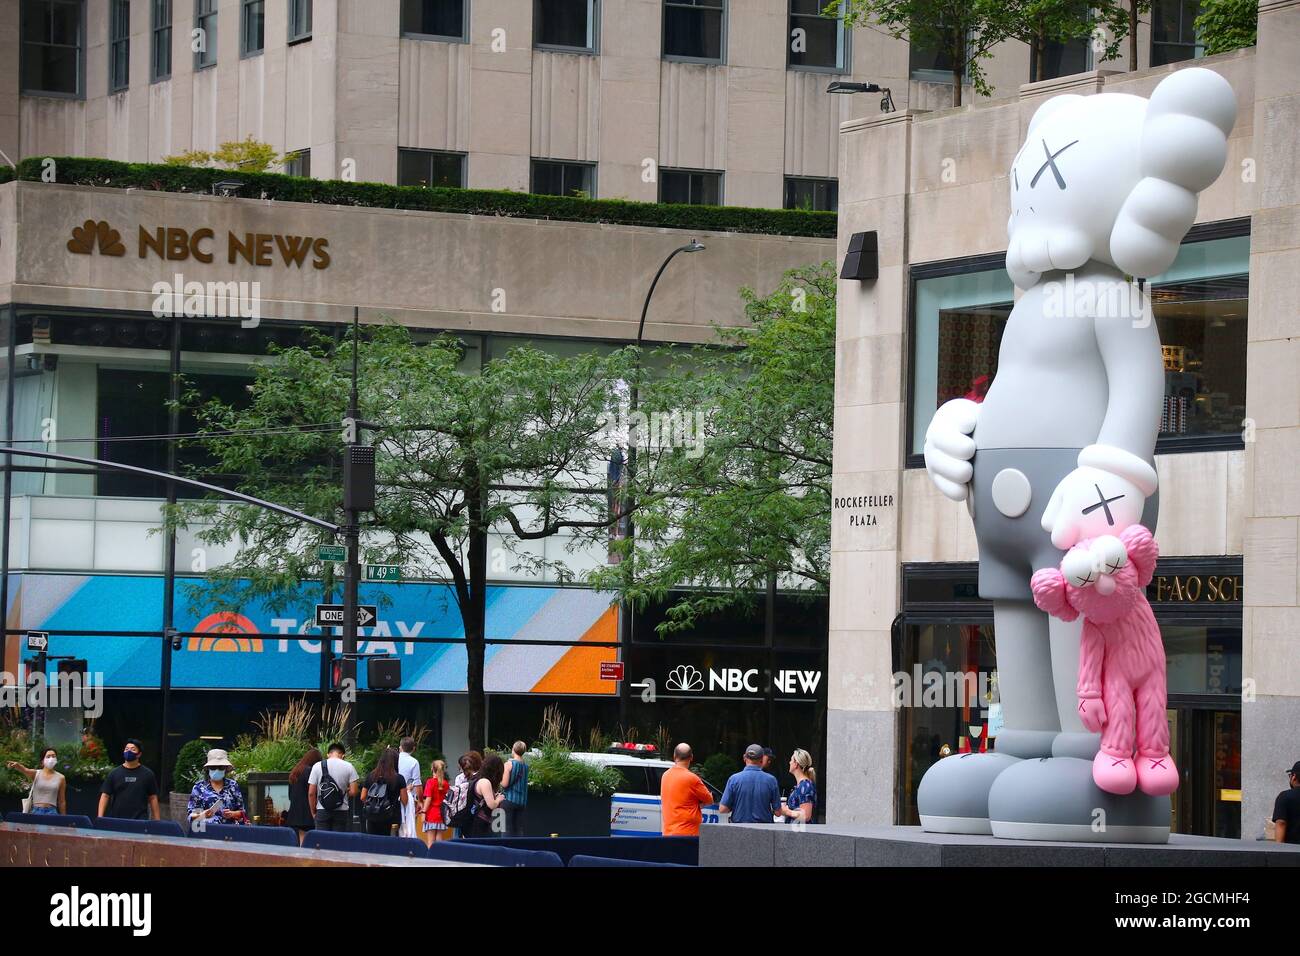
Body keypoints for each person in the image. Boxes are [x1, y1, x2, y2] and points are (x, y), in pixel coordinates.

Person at [659, 743, 714, 837]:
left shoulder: (665, 775)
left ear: (674, 756)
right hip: (687, 833)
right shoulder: (692, 778)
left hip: (668, 833)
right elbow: (709, 800)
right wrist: (698, 804)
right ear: (691, 757)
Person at [97, 738, 160, 820]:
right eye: (126, 749)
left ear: (139, 754)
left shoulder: (148, 774)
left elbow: (153, 797)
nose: (129, 751)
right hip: (117, 819)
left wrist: (157, 820)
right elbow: (105, 795)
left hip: (140, 820)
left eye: (133, 749)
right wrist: (100, 817)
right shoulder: (114, 773)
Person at [719, 743, 781, 824]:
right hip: (764, 830)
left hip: (739, 829)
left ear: (744, 757)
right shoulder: (771, 780)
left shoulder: (734, 779)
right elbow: (778, 812)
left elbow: (723, 809)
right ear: (762, 760)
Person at [187, 749, 249, 827]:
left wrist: (232, 814)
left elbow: (242, 812)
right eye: (213, 767)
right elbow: (191, 815)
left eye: (221, 767)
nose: (217, 770)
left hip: (230, 830)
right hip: (206, 831)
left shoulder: (233, 785)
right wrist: (203, 814)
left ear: (226, 769)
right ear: (208, 769)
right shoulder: (199, 787)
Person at [307, 742, 359, 832]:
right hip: (341, 810)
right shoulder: (349, 766)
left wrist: (313, 812)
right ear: (342, 755)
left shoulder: (317, 766)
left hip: (322, 810)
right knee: (338, 842)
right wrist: (345, 792)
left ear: (328, 754)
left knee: (321, 841)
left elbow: (311, 793)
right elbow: (354, 791)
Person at [361, 747, 409, 836]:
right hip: (391, 817)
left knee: (373, 841)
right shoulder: (399, 778)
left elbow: (363, 797)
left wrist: (374, 805)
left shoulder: (371, 775)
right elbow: (404, 801)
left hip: (372, 816)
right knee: (389, 843)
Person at [7, 747, 67, 815]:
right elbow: (25, 770)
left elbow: (61, 801)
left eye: (53, 756)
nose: (51, 759)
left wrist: (63, 819)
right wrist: (17, 765)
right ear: (42, 761)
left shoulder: (61, 778)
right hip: (36, 811)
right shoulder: (36, 773)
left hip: (52, 812)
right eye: (48, 756)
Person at [286, 747, 322, 843]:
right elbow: (312, 792)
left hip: (295, 813)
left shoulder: (295, 772)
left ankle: (302, 857)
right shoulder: (311, 771)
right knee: (314, 840)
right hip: (308, 812)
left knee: (302, 840)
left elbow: (290, 795)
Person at [468, 753, 506, 838]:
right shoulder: (485, 782)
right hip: (480, 823)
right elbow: (492, 805)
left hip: (475, 821)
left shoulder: (479, 779)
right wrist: (499, 798)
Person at [774, 749, 817, 825]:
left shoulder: (805, 786)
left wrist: (787, 811)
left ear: (796, 764)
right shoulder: (801, 785)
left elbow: (806, 816)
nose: (789, 762)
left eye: (791, 760)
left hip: (801, 833)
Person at [499, 740, 530, 837]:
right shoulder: (526, 766)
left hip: (509, 799)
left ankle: (506, 850)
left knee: (506, 828)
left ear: (513, 750)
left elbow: (504, 784)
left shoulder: (508, 764)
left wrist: (498, 780)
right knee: (518, 829)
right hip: (521, 801)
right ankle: (518, 850)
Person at [451, 751, 483, 839]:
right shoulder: (482, 776)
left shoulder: (460, 778)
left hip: (462, 809)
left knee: (459, 835)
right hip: (475, 810)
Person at [420, 759, 451, 846]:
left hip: (431, 814)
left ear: (432, 769)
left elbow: (428, 799)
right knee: (439, 839)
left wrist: (423, 812)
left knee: (431, 840)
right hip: (442, 814)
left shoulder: (430, 782)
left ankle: (431, 857)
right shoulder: (446, 784)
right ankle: (439, 856)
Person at [396, 736, 422, 839]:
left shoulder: (394, 759)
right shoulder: (414, 762)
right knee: (409, 825)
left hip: (393, 796)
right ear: (413, 748)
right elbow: (417, 783)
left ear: (400, 747)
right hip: (408, 796)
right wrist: (420, 801)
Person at [1272, 760, 1300, 845]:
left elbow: (1281, 823)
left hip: (1293, 852)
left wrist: (1279, 850)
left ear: (1294, 777)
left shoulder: (1285, 797)